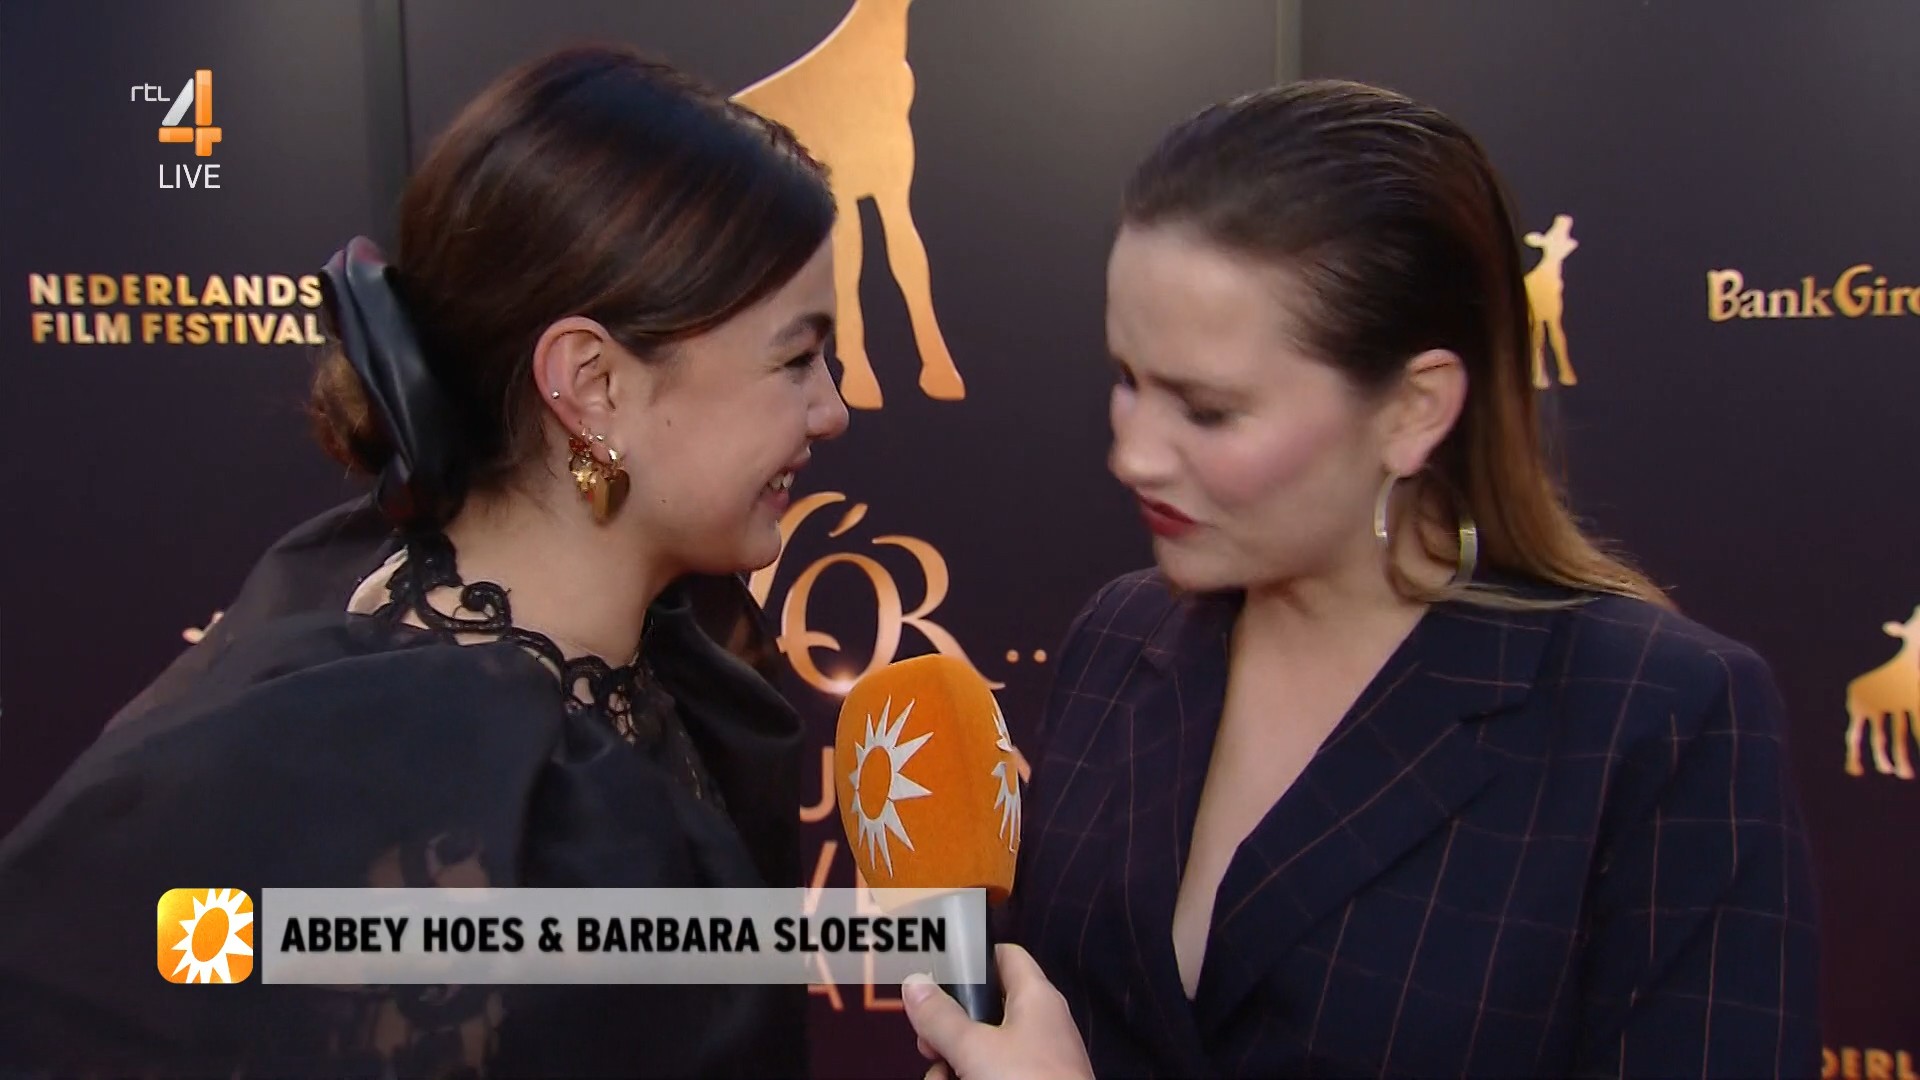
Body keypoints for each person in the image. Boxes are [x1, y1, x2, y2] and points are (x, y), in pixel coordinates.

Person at [906, 79, 1820, 1078]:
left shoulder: (1658, 721)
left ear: (1415, 409)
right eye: (1128, 379)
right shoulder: (1119, 644)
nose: (1134, 456)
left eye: (1207, 410)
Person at [0, 44, 848, 1077]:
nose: (832, 409)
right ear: (593, 384)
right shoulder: (382, 765)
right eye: (796, 359)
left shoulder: (689, 685)